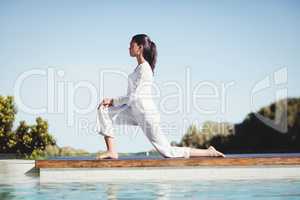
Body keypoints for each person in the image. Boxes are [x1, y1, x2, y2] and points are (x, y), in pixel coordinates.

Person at [96, 34, 225, 159]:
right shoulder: (138, 68)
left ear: (140, 48)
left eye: (131, 45)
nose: (128, 47)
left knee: (167, 152)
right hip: (133, 111)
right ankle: (112, 151)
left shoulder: (145, 69)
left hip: (146, 114)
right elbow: (132, 98)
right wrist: (113, 103)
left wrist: (113, 101)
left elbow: (134, 96)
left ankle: (209, 152)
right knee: (104, 110)